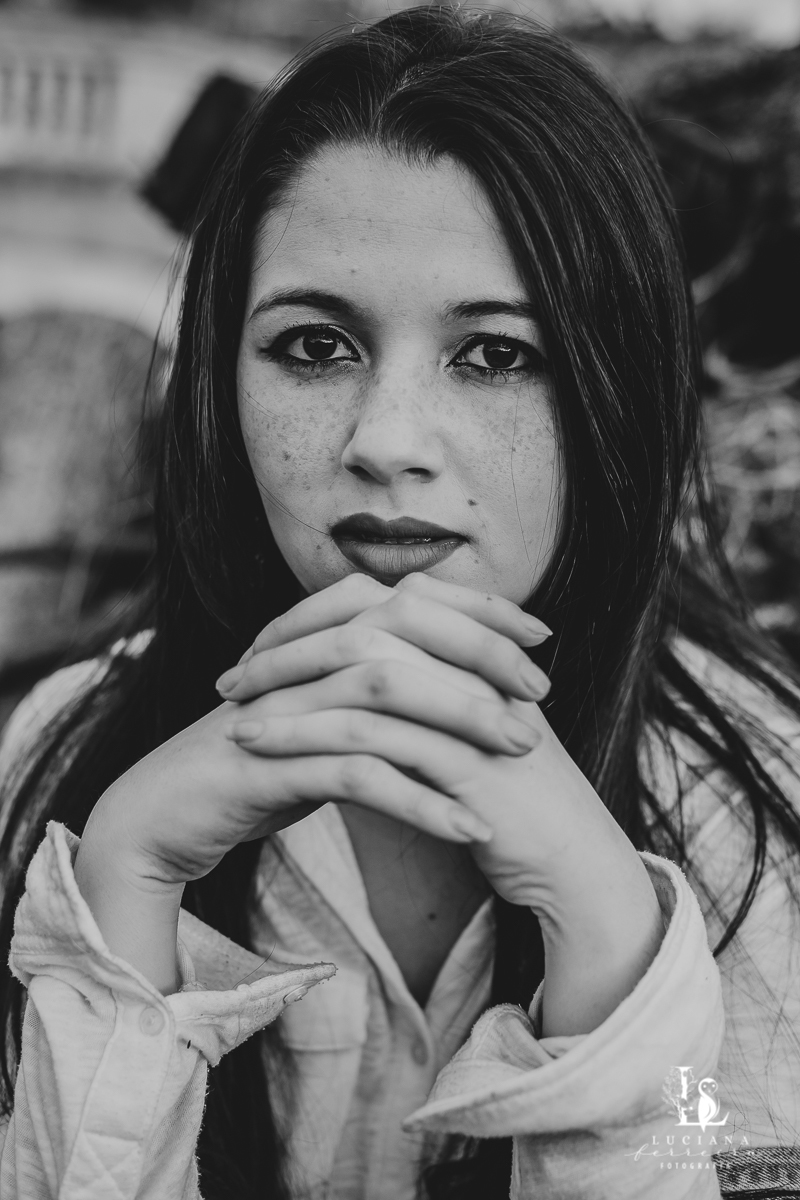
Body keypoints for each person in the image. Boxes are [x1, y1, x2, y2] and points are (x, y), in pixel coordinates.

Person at [0, 7, 798, 1199]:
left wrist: (614, 958)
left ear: (614, 396)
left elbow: (716, 1153)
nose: (385, 443)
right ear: (222, 381)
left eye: (494, 356)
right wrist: (124, 886)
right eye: (314, 346)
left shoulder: (754, 811)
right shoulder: (64, 759)